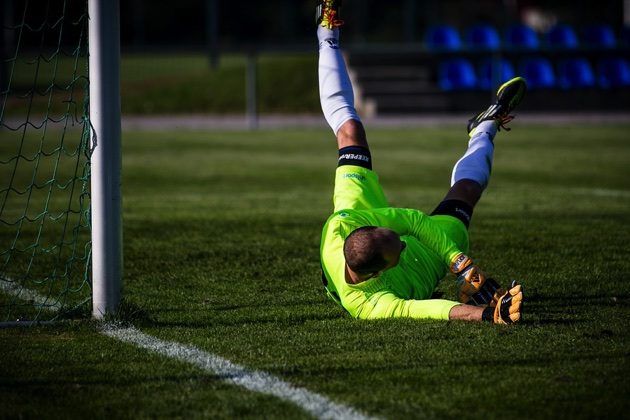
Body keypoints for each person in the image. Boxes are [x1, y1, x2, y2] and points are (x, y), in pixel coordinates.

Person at [316, 0, 524, 324]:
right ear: (384, 268)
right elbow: (427, 309)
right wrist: (486, 314)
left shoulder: (339, 227)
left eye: (391, 234)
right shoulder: (368, 305)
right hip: (417, 271)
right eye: (397, 245)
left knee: (350, 131)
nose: (403, 240)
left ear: (369, 227)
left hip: (356, 211)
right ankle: (485, 128)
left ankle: (326, 35)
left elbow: (412, 222)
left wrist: (463, 266)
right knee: (466, 192)